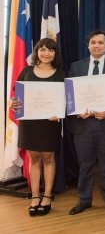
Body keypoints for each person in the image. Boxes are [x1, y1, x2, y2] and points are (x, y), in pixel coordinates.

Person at [68, 30, 105, 216]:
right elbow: (70, 95)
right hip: (83, 125)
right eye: (93, 42)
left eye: (101, 42)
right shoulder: (76, 67)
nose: (97, 45)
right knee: (85, 165)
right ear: (88, 45)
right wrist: (77, 112)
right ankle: (84, 200)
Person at [9, 38, 64, 216]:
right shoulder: (26, 71)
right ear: (37, 52)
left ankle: (47, 195)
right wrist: (12, 103)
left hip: (50, 123)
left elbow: (67, 101)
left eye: (50, 50)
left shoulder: (61, 74)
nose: (46, 53)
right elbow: (16, 97)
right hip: (29, 122)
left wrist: (59, 111)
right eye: (42, 49)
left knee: (48, 158)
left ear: (55, 53)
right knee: (33, 159)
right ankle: (35, 196)